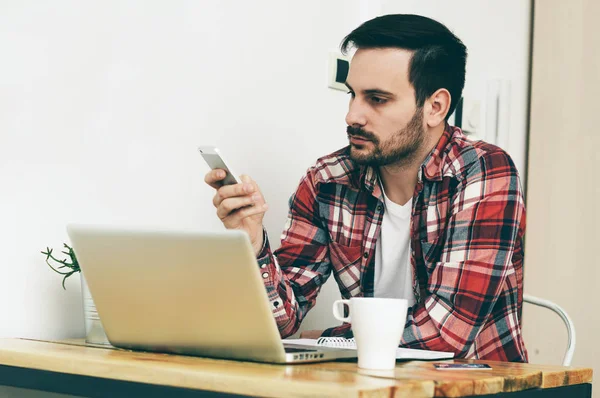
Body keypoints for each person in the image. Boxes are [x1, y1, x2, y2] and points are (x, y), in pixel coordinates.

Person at [204, 14, 527, 362]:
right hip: (366, 384)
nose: (352, 115)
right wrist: (252, 243)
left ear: (435, 107)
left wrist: (329, 340)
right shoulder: (327, 181)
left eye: (377, 99)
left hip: (473, 386)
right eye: (352, 94)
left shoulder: (483, 172)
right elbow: (281, 322)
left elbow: (446, 336)